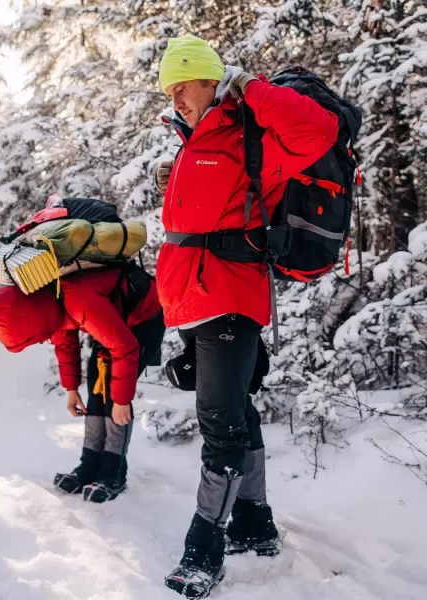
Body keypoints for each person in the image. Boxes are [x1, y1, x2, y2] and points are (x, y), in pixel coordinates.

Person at [154, 34, 339, 597]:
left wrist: (251, 87)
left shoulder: (249, 133)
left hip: (230, 297)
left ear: (212, 79)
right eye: (170, 89)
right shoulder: (196, 139)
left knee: (221, 422)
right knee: (237, 410)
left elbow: (318, 132)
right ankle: (254, 524)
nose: (175, 98)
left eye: (183, 85)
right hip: (201, 300)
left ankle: (203, 548)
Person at [0, 265, 165, 503]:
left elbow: (126, 347)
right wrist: (71, 390)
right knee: (96, 383)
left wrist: (122, 401)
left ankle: (113, 474)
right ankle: (89, 466)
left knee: (114, 390)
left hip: (144, 318)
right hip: (112, 315)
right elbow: (64, 341)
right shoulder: (50, 302)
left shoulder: (77, 300)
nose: (42, 341)